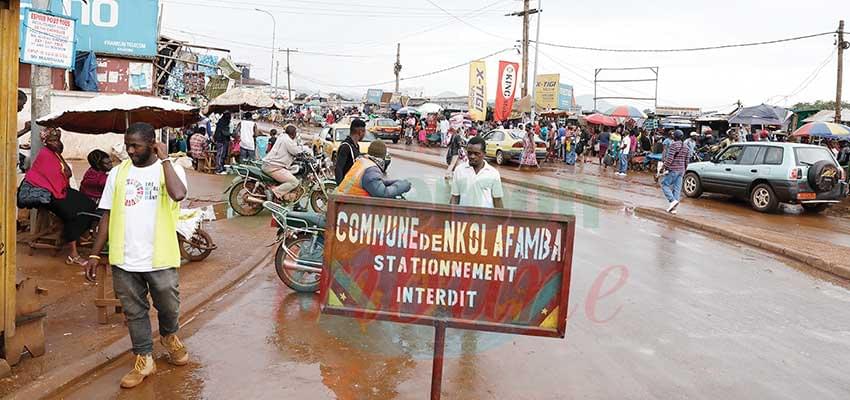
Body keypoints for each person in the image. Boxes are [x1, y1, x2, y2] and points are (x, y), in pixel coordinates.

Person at [84, 122, 189, 389]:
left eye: (135, 145)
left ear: (152, 144)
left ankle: (169, 336)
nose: (129, 150)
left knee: (168, 305)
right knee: (134, 311)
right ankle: (144, 357)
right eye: (127, 144)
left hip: (160, 256)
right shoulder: (118, 173)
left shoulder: (170, 170)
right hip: (124, 258)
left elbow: (178, 194)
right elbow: (106, 214)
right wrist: (94, 255)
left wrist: (165, 158)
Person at [24, 128, 96, 265]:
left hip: (58, 189)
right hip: (46, 192)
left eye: (57, 140)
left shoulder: (56, 154)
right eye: (52, 140)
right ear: (45, 142)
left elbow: (64, 175)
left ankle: (80, 234)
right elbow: (52, 179)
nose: (56, 143)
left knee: (89, 204)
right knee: (72, 213)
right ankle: (73, 254)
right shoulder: (45, 155)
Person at [336, 140, 411, 198]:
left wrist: (395, 182)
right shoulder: (371, 170)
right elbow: (383, 193)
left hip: (344, 202)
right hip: (350, 208)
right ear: (383, 156)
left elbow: (373, 182)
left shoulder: (362, 162)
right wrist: (403, 186)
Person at [450, 136, 504, 208]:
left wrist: (502, 218)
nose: (472, 156)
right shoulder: (459, 170)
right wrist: (450, 216)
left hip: (485, 218)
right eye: (469, 153)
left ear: (484, 154)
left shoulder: (493, 173)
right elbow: (455, 197)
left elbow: (497, 200)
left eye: (476, 153)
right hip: (463, 218)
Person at [262, 125, 303, 201]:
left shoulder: (283, 136)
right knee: (294, 182)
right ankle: (273, 192)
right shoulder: (287, 140)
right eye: (295, 133)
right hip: (273, 167)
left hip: (271, 164)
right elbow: (296, 151)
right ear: (293, 134)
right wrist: (302, 149)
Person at [661, 130, 689, 214]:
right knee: (677, 189)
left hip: (673, 169)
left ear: (674, 137)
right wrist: (684, 170)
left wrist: (664, 167)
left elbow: (669, 159)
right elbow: (687, 161)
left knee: (664, 184)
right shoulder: (686, 147)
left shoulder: (673, 145)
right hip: (682, 170)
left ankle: (672, 200)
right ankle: (673, 209)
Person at [335, 118, 365, 184]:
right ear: (360, 132)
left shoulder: (356, 146)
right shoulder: (346, 146)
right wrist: (340, 187)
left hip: (352, 184)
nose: (364, 134)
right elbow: (339, 168)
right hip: (345, 185)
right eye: (364, 131)